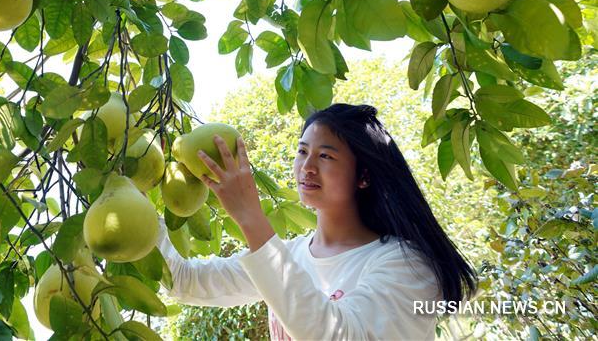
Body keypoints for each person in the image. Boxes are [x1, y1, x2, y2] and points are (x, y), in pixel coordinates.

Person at [156, 103, 478, 340]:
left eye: (325, 156)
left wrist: (250, 217)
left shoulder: (405, 264)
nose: (307, 167)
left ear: (363, 176)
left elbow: (337, 335)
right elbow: (185, 281)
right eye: (302, 151)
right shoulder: (292, 256)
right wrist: (134, 191)